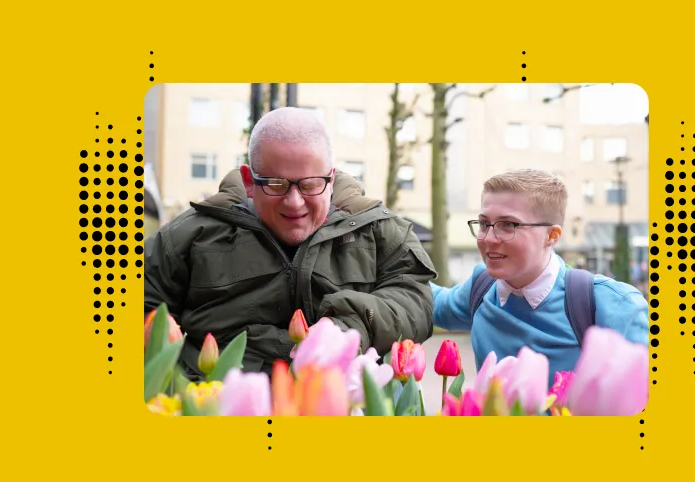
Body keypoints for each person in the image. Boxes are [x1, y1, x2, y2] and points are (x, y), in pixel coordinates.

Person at [144, 107, 438, 379]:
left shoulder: (377, 231)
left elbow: (416, 301)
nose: (294, 203)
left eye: (310, 185)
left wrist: (351, 324)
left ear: (331, 178)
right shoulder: (192, 235)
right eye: (275, 184)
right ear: (249, 180)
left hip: (340, 400)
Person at [427, 169, 648, 389]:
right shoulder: (481, 286)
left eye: (508, 225)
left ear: (551, 236)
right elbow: (431, 302)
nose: (488, 238)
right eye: (484, 224)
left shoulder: (614, 304)